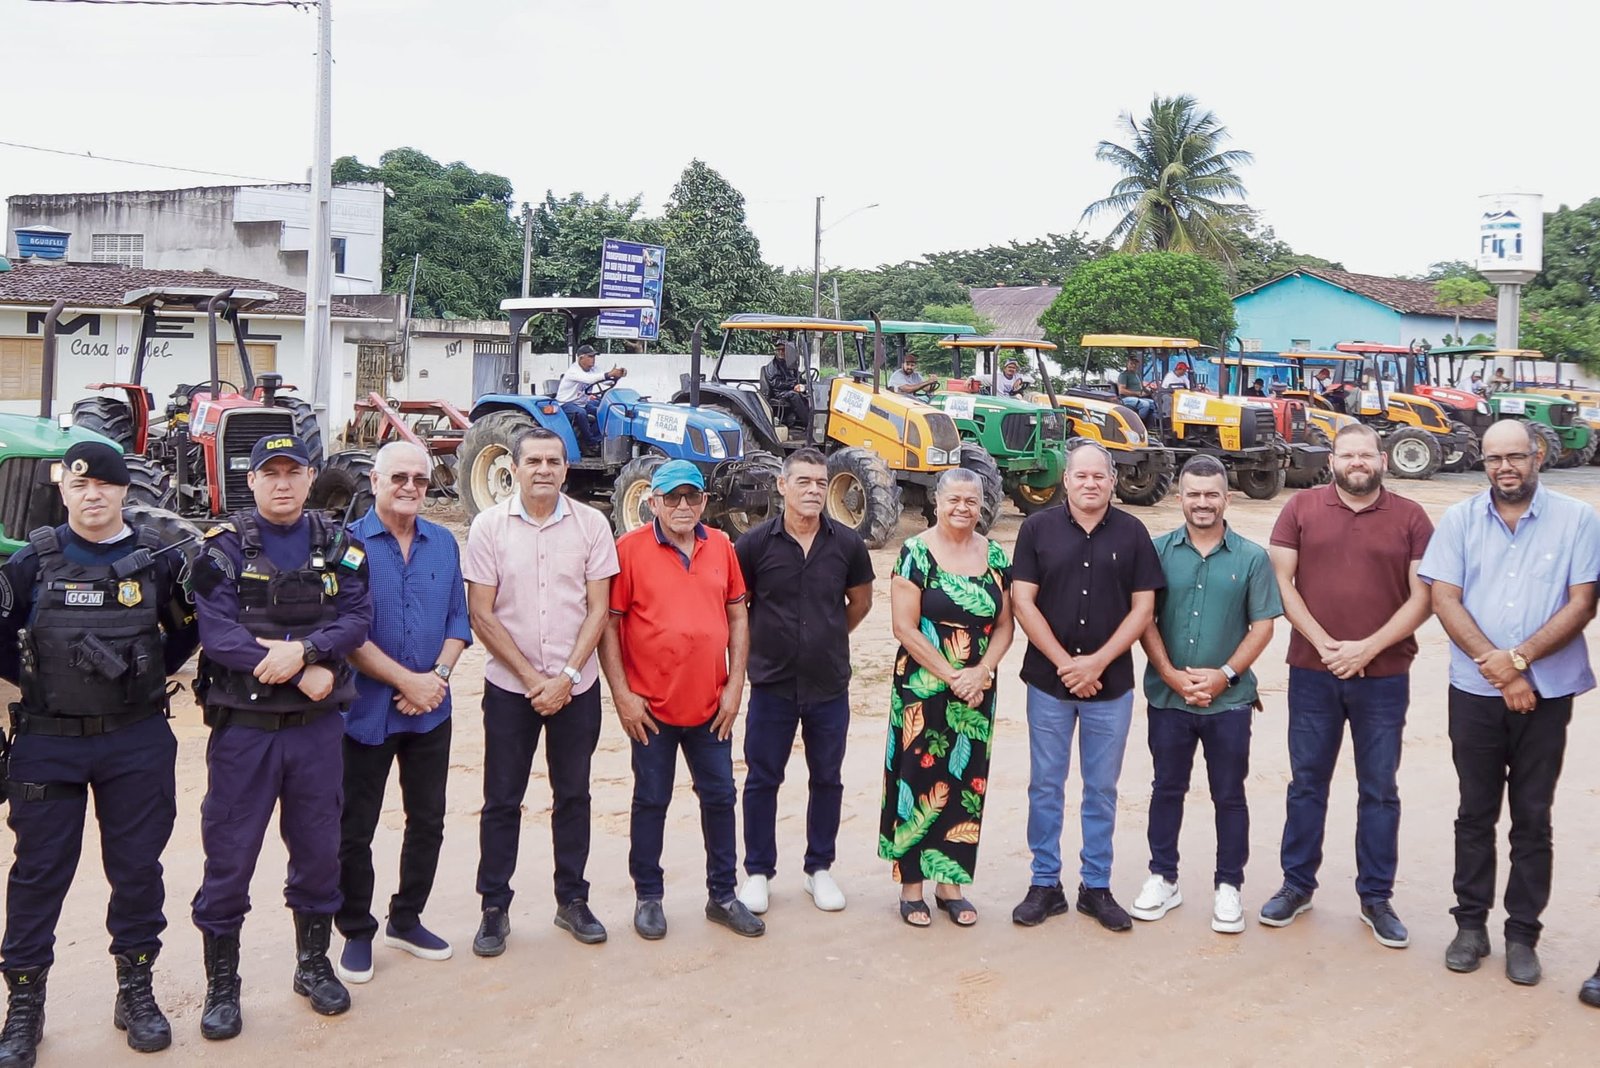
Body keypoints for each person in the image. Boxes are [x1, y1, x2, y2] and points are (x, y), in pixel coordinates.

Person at [0, 442, 199, 1063]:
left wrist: (140, 679)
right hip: (48, 741)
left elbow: (186, 632)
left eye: (104, 485)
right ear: (64, 491)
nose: (92, 495)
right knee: (37, 876)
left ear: (122, 491)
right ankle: (24, 1005)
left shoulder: (159, 562)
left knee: (137, 870)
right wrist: (42, 685)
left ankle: (135, 991)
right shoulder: (29, 564)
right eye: (80, 485)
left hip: (134, 739)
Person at [189, 434, 373, 1039]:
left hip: (316, 732)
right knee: (230, 856)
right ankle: (222, 985)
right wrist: (297, 666)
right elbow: (218, 635)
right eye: (271, 473)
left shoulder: (339, 544)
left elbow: (357, 617)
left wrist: (307, 651)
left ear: (311, 476)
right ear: (252, 480)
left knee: (319, 852)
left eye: (294, 471)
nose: (283, 482)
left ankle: (312, 964)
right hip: (245, 734)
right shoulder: (221, 549)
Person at [1419, 420, 1600, 989]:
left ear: (1537, 456)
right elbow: (1444, 598)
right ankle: (1470, 927)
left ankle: (1523, 935)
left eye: (1516, 456)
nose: (1505, 468)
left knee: (1532, 816)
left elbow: (1583, 602)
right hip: (1475, 693)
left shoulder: (1579, 520)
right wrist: (1496, 667)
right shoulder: (1459, 520)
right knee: (1475, 813)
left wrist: (1519, 661)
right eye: (1494, 458)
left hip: (1547, 694)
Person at [1262, 423, 1433, 948]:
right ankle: (1296, 885)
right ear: (1332, 460)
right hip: (1313, 673)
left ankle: (1376, 898)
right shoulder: (1301, 508)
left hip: (1384, 677)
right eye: (1347, 455)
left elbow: (1424, 596)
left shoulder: (1412, 517)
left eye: (1366, 455)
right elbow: (1281, 582)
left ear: (1382, 459)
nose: (1357, 463)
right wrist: (1325, 644)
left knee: (1379, 790)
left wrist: (1367, 648)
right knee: (1306, 783)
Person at [463, 428, 618, 954]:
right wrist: (534, 681)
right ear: (515, 468)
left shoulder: (592, 525)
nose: (544, 470)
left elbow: (598, 609)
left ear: (566, 469)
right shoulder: (488, 527)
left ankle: (572, 900)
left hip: (576, 687)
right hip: (512, 688)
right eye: (534, 461)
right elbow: (481, 613)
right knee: (502, 799)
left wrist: (567, 677)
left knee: (573, 794)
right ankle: (494, 908)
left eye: (554, 461)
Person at [599, 460, 763, 940]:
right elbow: (609, 625)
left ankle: (723, 896)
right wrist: (623, 696)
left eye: (692, 496)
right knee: (651, 800)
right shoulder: (629, 550)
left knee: (720, 797)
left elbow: (738, 616)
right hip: (650, 710)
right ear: (653, 502)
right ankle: (648, 897)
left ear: (705, 501)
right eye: (672, 497)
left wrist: (735, 686)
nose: (683, 506)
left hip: (712, 706)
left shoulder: (722, 546)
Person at [1010, 441, 1164, 932]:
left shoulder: (1134, 532)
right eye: (1081, 475)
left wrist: (1096, 662)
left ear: (1113, 480)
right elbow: (1022, 601)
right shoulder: (1036, 530)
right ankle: (1044, 884)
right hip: (1048, 684)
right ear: (1067, 479)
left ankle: (1096, 886)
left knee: (1101, 789)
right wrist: (1065, 664)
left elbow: (1144, 609)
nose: (1090, 483)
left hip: (1110, 684)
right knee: (1045, 786)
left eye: (1100, 476)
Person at [334, 442, 470, 985]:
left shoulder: (444, 543)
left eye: (420, 478)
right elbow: (347, 635)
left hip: (431, 711)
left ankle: (407, 919)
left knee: (428, 820)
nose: (411, 487)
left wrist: (435, 681)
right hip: (365, 713)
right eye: (399, 477)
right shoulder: (347, 546)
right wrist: (406, 681)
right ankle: (356, 929)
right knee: (355, 828)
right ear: (375, 480)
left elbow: (458, 621)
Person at [1130, 455, 1282, 934]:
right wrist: (1170, 674)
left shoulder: (1252, 558)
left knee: (1229, 795)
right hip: (1168, 699)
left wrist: (1225, 675)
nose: (1202, 502)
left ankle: (1229, 886)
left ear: (1226, 498)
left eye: (1211, 494)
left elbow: (1263, 626)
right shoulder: (1156, 552)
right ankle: (1163, 877)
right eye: (1193, 494)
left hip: (1229, 703)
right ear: (1179, 498)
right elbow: (1145, 619)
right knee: (1166, 789)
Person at [734, 449, 874, 915]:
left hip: (828, 684)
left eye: (820, 482)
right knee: (762, 778)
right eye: (804, 482)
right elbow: (738, 608)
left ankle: (819, 869)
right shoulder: (753, 545)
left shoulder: (848, 544)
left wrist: (827, 636)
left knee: (827, 778)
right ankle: (758, 872)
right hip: (771, 684)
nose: (813, 490)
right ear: (783, 486)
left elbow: (860, 603)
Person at [881, 468, 1014, 927]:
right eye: (954, 499)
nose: (963, 508)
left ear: (982, 506)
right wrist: (952, 675)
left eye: (971, 501)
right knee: (917, 781)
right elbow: (904, 627)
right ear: (936, 503)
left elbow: (1005, 626)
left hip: (976, 691)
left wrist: (982, 671)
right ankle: (911, 885)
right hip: (922, 688)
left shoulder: (995, 555)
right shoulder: (915, 553)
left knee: (965, 782)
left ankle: (950, 884)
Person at [555, 344, 626, 451]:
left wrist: (616, 376)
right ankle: (590, 444)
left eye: (594, 356)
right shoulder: (573, 371)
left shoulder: (593, 369)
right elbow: (589, 379)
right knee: (581, 413)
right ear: (581, 358)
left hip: (583, 403)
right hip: (566, 403)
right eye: (590, 356)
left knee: (602, 411)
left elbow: (605, 381)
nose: (593, 359)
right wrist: (608, 374)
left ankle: (598, 439)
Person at [762, 340, 812, 435]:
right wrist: (793, 385)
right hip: (779, 393)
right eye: (778, 350)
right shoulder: (772, 367)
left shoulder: (789, 364)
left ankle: (809, 417)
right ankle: (809, 423)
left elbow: (797, 378)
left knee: (809, 393)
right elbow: (776, 383)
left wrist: (806, 383)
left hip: (788, 389)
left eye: (783, 350)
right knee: (794, 395)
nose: (781, 352)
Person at [1116, 355, 1157, 422]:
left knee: (1154, 403)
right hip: (1125, 398)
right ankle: (1138, 423)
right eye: (1131, 363)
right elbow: (1121, 391)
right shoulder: (1124, 375)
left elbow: (1142, 388)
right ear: (1127, 364)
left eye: (1135, 364)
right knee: (1145, 404)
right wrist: (1137, 393)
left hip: (1137, 397)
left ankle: (1153, 424)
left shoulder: (1137, 375)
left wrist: (1150, 391)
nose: (1133, 365)